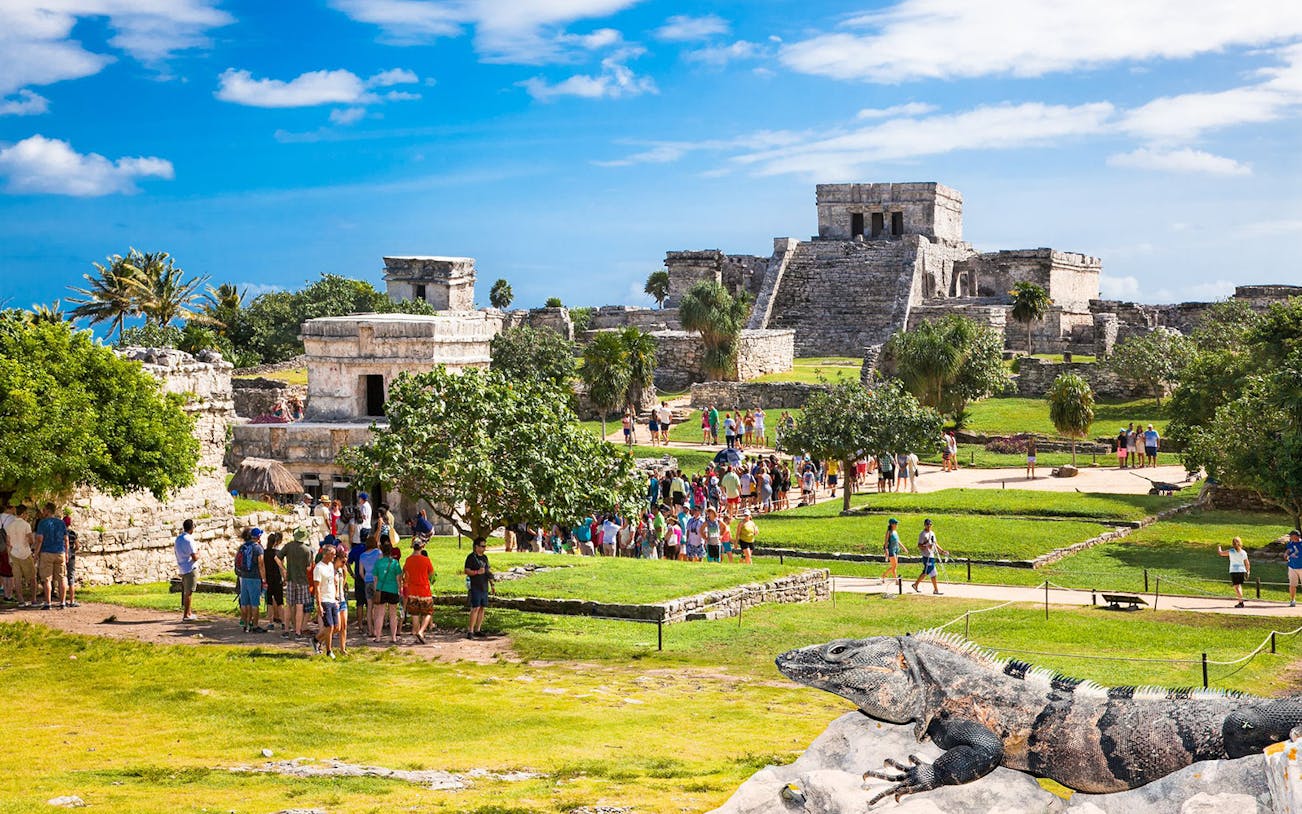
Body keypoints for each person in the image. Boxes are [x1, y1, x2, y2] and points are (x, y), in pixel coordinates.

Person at [281, 527, 314, 638]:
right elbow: (309, 568)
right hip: (302, 580)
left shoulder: (288, 546)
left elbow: (277, 558)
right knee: (300, 606)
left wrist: (284, 569)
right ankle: (298, 631)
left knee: (289, 605)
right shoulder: (307, 550)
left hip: (290, 579)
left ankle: (286, 630)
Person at [34, 502, 68, 610]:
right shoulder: (61, 523)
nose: (43, 512)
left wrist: (36, 553)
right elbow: (66, 539)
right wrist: (66, 553)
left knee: (47, 579)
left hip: (47, 552)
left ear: (48, 510)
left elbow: (40, 540)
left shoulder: (43, 523)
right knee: (62, 578)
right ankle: (63, 602)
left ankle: (48, 603)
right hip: (60, 552)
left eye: (44, 510)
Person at [234, 527, 267, 633]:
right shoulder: (258, 548)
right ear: (258, 537)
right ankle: (255, 625)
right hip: (254, 578)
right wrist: (264, 579)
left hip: (243, 577)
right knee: (254, 603)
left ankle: (245, 623)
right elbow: (261, 564)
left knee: (244, 602)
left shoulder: (243, 546)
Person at [403, 539, 436, 642]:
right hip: (424, 589)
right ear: (423, 547)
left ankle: (417, 635)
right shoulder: (426, 560)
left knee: (415, 614)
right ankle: (421, 631)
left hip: (413, 590)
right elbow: (431, 573)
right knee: (428, 612)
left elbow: (405, 572)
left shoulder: (408, 560)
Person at [312, 544, 340, 658]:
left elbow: (333, 581)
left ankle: (316, 640)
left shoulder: (330, 566)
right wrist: (319, 605)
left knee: (336, 627)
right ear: (326, 554)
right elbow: (317, 588)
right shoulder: (319, 568)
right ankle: (329, 651)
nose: (334, 556)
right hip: (324, 600)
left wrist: (336, 596)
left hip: (332, 599)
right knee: (329, 627)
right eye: (333, 554)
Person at [5, 505, 36, 607]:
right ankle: (33, 600)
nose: (27, 515)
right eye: (26, 513)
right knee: (32, 577)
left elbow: (8, 543)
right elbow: (31, 540)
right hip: (25, 553)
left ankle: (21, 600)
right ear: (23, 514)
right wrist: (28, 542)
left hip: (14, 553)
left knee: (17, 578)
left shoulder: (10, 526)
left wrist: (9, 557)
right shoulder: (26, 525)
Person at [464, 539, 495, 638]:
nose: (484, 548)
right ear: (476, 547)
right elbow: (466, 570)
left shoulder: (485, 558)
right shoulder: (471, 557)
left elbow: (487, 571)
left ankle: (478, 629)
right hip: (475, 585)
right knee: (475, 607)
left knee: (482, 607)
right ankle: (471, 630)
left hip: (484, 586)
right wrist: (477, 572)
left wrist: (492, 584)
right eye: (482, 546)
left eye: (485, 546)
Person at [372, 545, 403, 644]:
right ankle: (393, 637)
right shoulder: (395, 563)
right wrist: (399, 589)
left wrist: (376, 590)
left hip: (381, 589)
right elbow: (399, 579)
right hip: (393, 589)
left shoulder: (378, 563)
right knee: (393, 615)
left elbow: (375, 579)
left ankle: (378, 637)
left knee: (380, 614)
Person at [911, 519, 949, 595]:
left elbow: (935, 544)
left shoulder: (932, 533)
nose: (929, 526)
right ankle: (916, 584)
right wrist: (926, 544)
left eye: (930, 524)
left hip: (931, 555)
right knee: (926, 571)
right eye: (927, 524)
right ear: (924, 525)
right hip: (926, 556)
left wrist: (942, 551)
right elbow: (919, 545)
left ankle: (936, 590)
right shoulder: (922, 534)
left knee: (933, 574)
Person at [174, 519, 200, 621]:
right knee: (189, 592)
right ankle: (186, 615)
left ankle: (188, 612)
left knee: (186, 591)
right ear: (192, 527)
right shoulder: (189, 540)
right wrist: (199, 553)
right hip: (190, 568)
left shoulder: (179, 538)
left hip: (182, 567)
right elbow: (194, 557)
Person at [1217, 537, 1251, 608]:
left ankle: (1241, 602)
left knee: (1236, 587)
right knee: (1239, 586)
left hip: (1234, 570)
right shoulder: (1243, 552)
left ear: (1232, 544)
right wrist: (1248, 571)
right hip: (1242, 570)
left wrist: (1219, 547)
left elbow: (1221, 553)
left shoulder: (1231, 551)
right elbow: (1247, 563)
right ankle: (1240, 600)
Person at [263, 531, 286, 631]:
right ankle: (284, 622)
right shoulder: (278, 554)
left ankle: (270, 622)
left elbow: (263, 567)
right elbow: (281, 567)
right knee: (280, 601)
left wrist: (263, 579)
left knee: (269, 601)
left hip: (268, 579)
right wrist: (284, 578)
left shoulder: (264, 552)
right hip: (277, 579)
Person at [880, 518, 907, 583]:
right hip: (891, 550)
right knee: (894, 566)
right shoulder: (889, 532)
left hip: (896, 549)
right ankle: (896, 580)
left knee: (895, 566)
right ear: (892, 524)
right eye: (895, 523)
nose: (897, 525)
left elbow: (898, 541)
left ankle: (884, 575)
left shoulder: (895, 532)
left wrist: (904, 547)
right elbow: (886, 542)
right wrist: (886, 550)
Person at [1286, 529, 1302, 608]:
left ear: (1295, 536)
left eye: (1291, 536)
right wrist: (1286, 554)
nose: (1290, 537)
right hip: (1292, 566)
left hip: (1301, 567)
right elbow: (1288, 550)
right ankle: (1292, 600)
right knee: (1292, 584)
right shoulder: (1290, 543)